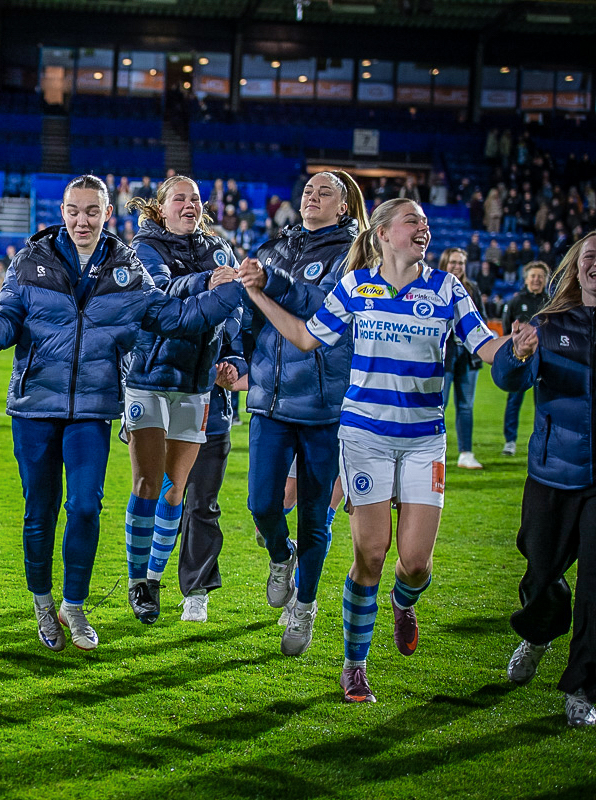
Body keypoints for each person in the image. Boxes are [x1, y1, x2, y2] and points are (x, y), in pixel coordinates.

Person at [240, 198, 511, 703]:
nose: (423, 227)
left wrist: (518, 346)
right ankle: (355, 667)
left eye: (426, 222)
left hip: (424, 441)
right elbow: (306, 337)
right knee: (370, 553)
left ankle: (403, 602)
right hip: (365, 437)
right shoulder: (355, 286)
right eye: (413, 221)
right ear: (384, 233)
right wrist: (258, 295)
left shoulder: (448, 288)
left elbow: (484, 345)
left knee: (416, 565)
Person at [0, 175, 240, 653]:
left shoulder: (125, 265)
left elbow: (174, 317)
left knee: (86, 507)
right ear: (62, 211)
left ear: (106, 213)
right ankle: (43, 604)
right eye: (74, 210)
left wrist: (232, 291)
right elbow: (5, 327)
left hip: (92, 408)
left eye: (92, 211)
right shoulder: (30, 259)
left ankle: (74, 606)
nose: (82, 220)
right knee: (39, 512)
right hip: (34, 407)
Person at [236, 170, 368, 657]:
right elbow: (248, 315)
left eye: (324, 192)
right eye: (308, 190)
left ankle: (305, 605)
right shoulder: (273, 248)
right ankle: (280, 555)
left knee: (315, 517)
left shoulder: (355, 254)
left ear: (344, 207)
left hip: (323, 404)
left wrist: (271, 282)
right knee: (261, 504)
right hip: (270, 399)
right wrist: (235, 359)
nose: (312, 196)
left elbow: (322, 307)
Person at [120, 176, 242, 624]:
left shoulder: (220, 249)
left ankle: (153, 581)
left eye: (195, 199)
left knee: (175, 490)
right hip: (149, 377)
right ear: (161, 207)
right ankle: (137, 580)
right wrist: (208, 280)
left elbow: (236, 310)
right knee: (148, 484)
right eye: (179, 199)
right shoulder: (143, 248)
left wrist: (232, 358)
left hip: (196, 384)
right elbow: (160, 292)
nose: (190, 205)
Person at [492, 233, 596, 727]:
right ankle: (538, 633)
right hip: (553, 472)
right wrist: (515, 354)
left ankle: (583, 688)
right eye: (590, 257)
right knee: (540, 572)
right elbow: (508, 380)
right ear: (576, 267)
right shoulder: (549, 324)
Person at [439, 248, 486, 469]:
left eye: (461, 263)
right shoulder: (435, 285)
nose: (457, 267)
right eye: (453, 262)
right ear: (444, 263)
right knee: (439, 405)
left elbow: (481, 320)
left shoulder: (472, 289)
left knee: (466, 406)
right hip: (444, 355)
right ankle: (434, 451)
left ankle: (466, 453)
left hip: (467, 356)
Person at [500, 262, 550, 455]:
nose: (536, 279)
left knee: (544, 402)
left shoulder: (552, 301)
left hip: (545, 360)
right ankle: (510, 442)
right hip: (521, 360)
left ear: (545, 280)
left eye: (540, 276)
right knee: (514, 399)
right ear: (526, 279)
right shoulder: (515, 301)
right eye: (533, 276)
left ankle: (544, 441)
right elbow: (506, 330)